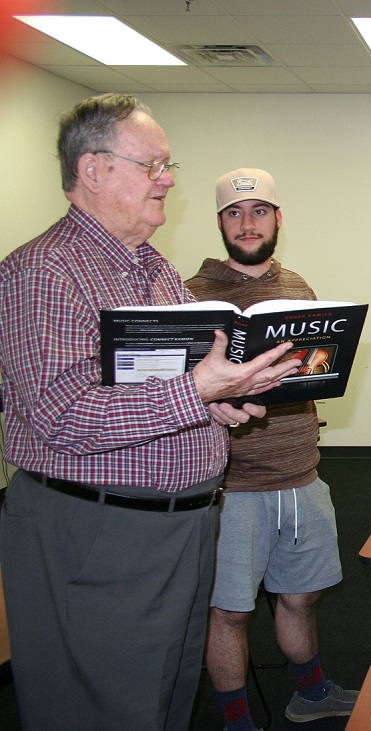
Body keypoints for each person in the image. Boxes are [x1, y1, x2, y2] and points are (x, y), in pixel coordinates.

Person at [0, 94, 301, 731]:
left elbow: (151, 394)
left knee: (160, 699)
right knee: (98, 707)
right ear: (92, 170)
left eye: (169, 166)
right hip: (97, 531)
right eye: (153, 165)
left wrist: (217, 406)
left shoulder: (152, 267)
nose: (168, 179)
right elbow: (62, 415)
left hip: (176, 530)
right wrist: (198, 393)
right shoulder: (43, 271)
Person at [185, 168, 358, 730]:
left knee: (302, 595)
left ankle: (310, 691)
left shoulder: (297, 286)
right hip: (233, 485)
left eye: (259, 211)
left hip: (301, 474)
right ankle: (237, 721)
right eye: (234, 213)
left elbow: (311, 368)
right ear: (219, 224)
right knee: (230, 610)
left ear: (278, 218)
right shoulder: (192, 295)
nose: (247, 223)